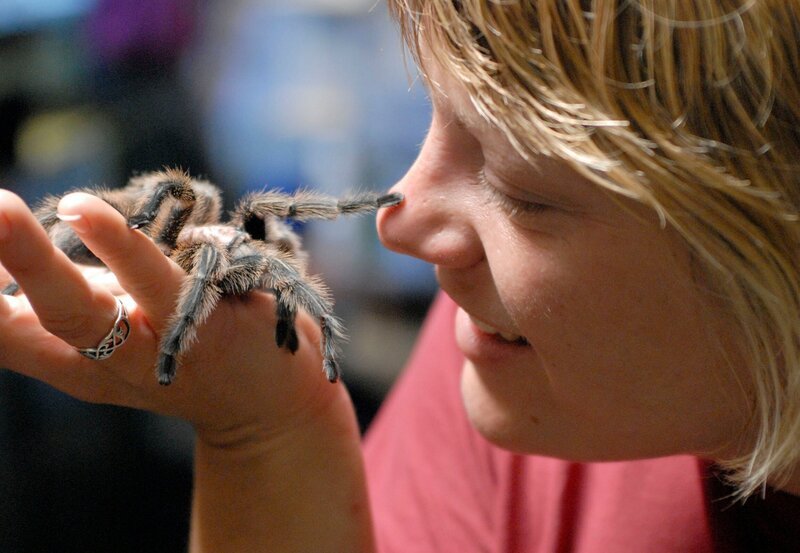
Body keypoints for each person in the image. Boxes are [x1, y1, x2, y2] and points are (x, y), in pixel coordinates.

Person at [1, 0, 799, 551]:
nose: (399, 219)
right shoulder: (513, 370)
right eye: (438, 117)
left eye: (522, 192)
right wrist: (262, 430)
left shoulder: (554, 387)